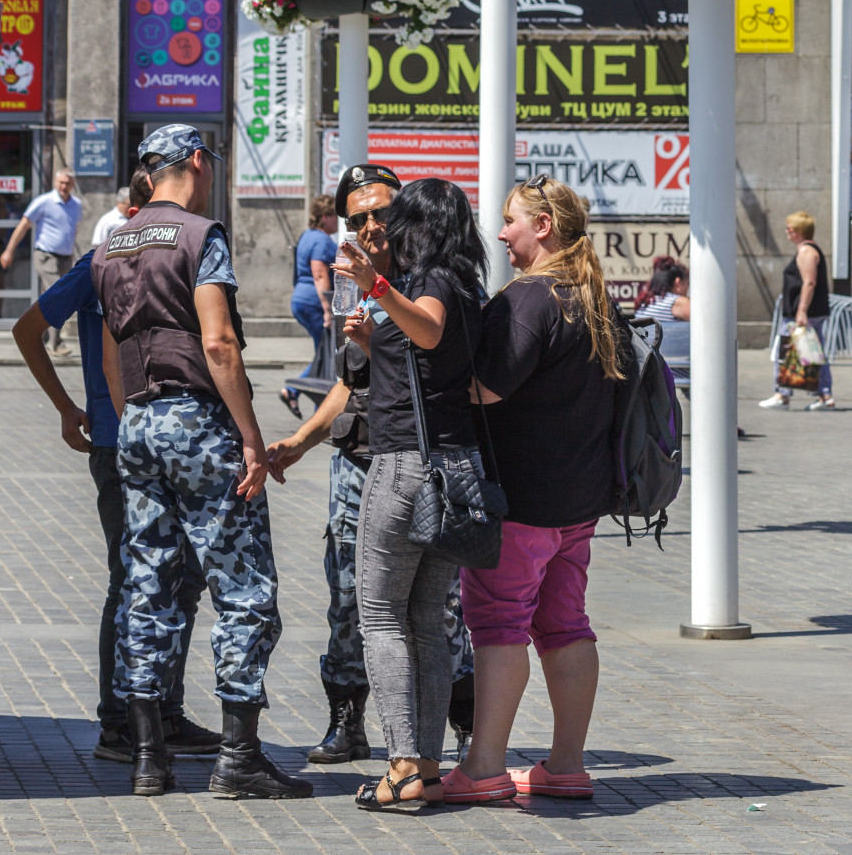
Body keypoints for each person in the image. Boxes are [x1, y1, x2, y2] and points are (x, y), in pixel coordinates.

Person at [91, 124, 311, 799]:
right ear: (195, 161)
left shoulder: (111, 243)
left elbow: (108, 354)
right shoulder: (199, 235)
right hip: (198, 418)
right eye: (210, 161)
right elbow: (218, 342)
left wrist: (137, 421)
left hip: (139, 423)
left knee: (148, 582)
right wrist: (249, 432)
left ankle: (148, 756)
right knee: (244, 583)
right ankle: (239, 754)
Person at [265, 164, 476, 768]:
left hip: (421, 465)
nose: (370, 226)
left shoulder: (423, 279)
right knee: (350, 597)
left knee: (437, 607)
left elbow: (437, 350)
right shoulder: (361, 285)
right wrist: (299, 443)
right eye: (356, 218)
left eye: (380, 212)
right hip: (359, 463)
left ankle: (456, 726)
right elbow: (346, 385)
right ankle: (348, 721)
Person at [10, 168, 220, 769]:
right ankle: (119, 722)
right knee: (133, 578)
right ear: (132, 211)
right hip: (118, 441)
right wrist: (65, 408)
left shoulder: (155, 255)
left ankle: (163, 713)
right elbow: (27, 329)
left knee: (177, 577)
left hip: (153, 438)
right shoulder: (104, 260)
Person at [443, 175, 621, 805]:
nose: (500, 233)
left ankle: (485, 766)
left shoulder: (530, 299)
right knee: (565, 625)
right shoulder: (594, 296)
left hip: (518, 502)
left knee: (498, 624)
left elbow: (487, 389)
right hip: (579, 503)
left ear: (543, 226)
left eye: (511, 220)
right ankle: (565, 764)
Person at [333, 177, 487, 812]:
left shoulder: (433, 283)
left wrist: (376, 286)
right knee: (427, 618)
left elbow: (425, 330)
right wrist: (372, 339)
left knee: (380, 616)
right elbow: (427, 360)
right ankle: (425, 759)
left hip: (405, 468)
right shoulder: (469, 287)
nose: (387, 230)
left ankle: (400, 764)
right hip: (455, 469)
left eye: (399, 220)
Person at [1, 167, 83, 354]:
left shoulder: (76, 204)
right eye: (61, 182)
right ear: (55, 183)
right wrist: (9, 250)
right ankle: (56, 343)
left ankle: (35, 333)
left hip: (65, 258)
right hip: (45, 256)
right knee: (59, 295)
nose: (64, 186)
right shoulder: (44, 202)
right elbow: (24, 225)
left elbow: (73, 230)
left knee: (48, 297)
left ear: (73, 185)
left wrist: (72, 253)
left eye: (68, 183)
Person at [760, 211, 835, 411]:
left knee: (784, 353)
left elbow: (809, 282)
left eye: (789, 228)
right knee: (813, 354)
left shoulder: (807, 252)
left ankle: (782, 394)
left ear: (798, 231)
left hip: (801, 314)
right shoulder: (808, 250)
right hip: (809, 312)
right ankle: (824, 396)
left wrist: (801, 311)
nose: (787, 231)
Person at [280, 194, 339, 419]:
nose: (338, 220)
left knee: (322, 354)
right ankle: (313, 406)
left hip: (301, 299)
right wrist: (327, 309)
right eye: (334, 215)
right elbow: (320, 274)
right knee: (326, 356)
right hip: (315, 303)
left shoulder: (307, 236)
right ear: (325, 217)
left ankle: (297, 393)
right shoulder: (322, 240)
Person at [633, 257, 690, 322]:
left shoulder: (644, 302)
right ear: (678, 282)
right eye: (688, 283)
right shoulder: (678, 302)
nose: (688, 287)